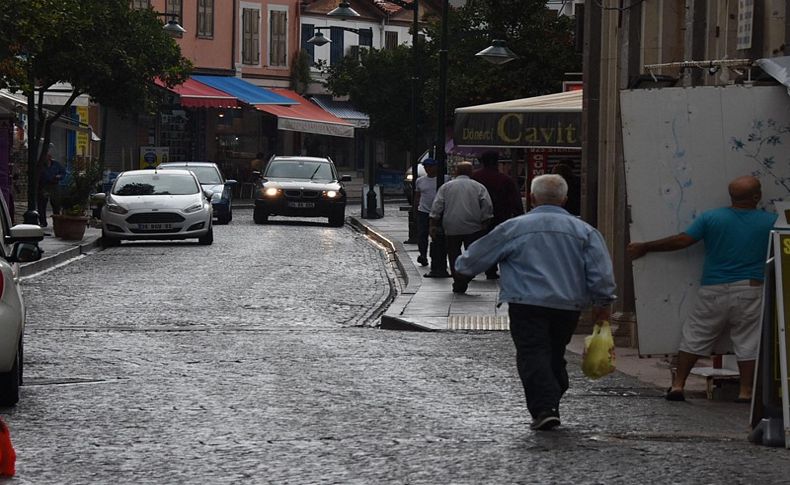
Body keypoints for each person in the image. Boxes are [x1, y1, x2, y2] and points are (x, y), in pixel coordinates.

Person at [455, 174, 616, 431]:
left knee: (532, 352)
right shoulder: (585, 231)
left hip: (526, 302)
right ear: (564, 199)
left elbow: (474, 259)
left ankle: (544, 406)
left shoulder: (515, 227)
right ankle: (552, 395)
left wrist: (462, 268)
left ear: (532, 198)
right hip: (568, 304)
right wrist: (603, 302)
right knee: (553, 351)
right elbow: (601, 271)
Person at [627, 175, 776, 403]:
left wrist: (646, 247)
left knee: (695, 335)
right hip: (750, 288)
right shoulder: (771, 222)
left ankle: (678, 385)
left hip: (714, 287)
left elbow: (682, 240)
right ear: (757, 196)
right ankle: (745, 391)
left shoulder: (712, 218)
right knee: (748, 341)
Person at [429, 161, 493, 293]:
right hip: (473, 227)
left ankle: (458, 278)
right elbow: (487, 205)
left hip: (452, 226)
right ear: (471, 172)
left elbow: (437, 205)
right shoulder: (478, 187)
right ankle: (466, 275)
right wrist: (484, 220)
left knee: (453, 254)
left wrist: (433, 224)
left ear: (456, 172)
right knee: (473, 254)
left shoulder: (446, 187)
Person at [471, 151, 524, 279]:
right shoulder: (505, 179)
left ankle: (475, 267)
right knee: (497, 243)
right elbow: (515, 200)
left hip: (477, 216)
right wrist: (519, 215)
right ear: (497, 162)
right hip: (501, 215)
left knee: (478, 242)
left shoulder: (474, 178)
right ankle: (491, 268)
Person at [413, 158, 447, 274]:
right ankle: (423, 255)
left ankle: (438, 258)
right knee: (422, 234)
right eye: (426, 166)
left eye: (430, 166)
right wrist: (415, 209)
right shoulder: (420, 181)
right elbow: (417, 196)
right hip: (424, 211)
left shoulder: (445, 179)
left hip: (439, 212)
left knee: (438, 235)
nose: (428, 169)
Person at [37, 150, 66, 227]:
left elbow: (63, 172)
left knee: (56, 204)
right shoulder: (41, 165)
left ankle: (56, 222)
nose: (46, 159)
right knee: (42, 204)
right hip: (44, 186)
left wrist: (60, 176)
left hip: (54, 185)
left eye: (48, 157)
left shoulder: (56, 164)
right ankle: (43, 222)